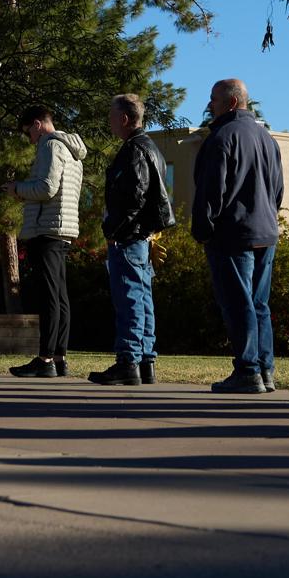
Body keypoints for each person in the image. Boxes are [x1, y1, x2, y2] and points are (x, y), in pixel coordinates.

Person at [191, 78, 284, 394]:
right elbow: (278, 189)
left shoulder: (221, 138)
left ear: (231, 103)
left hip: (233, 233)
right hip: (265, 230)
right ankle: (265, 369)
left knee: (238, 301)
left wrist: (202, 229)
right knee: (259, 303)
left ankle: (247, 369)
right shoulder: (266, 138)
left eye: (214, 99)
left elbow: (210, 190)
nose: (210, 105)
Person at [89, 93, 174, 387]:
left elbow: (133, 195)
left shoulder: (134, 150)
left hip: (129, 236)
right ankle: (146, 361)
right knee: (142, 298)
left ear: (125, 119)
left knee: (129, 299)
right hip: (141, 236)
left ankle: (128, 361)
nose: (109, 121)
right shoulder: (150, 148)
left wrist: (113, 229)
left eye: (112, 116)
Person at [1, 105, 87, 378]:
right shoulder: (72, 150)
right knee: (60, 296)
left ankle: (45, 358)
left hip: (47, 228)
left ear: (38, 124)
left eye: (29, 133)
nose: (30, 140)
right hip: (64, 228)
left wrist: (17, 189)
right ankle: (59, 357)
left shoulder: (51, 146)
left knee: (49, 296)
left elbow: (46, 188)